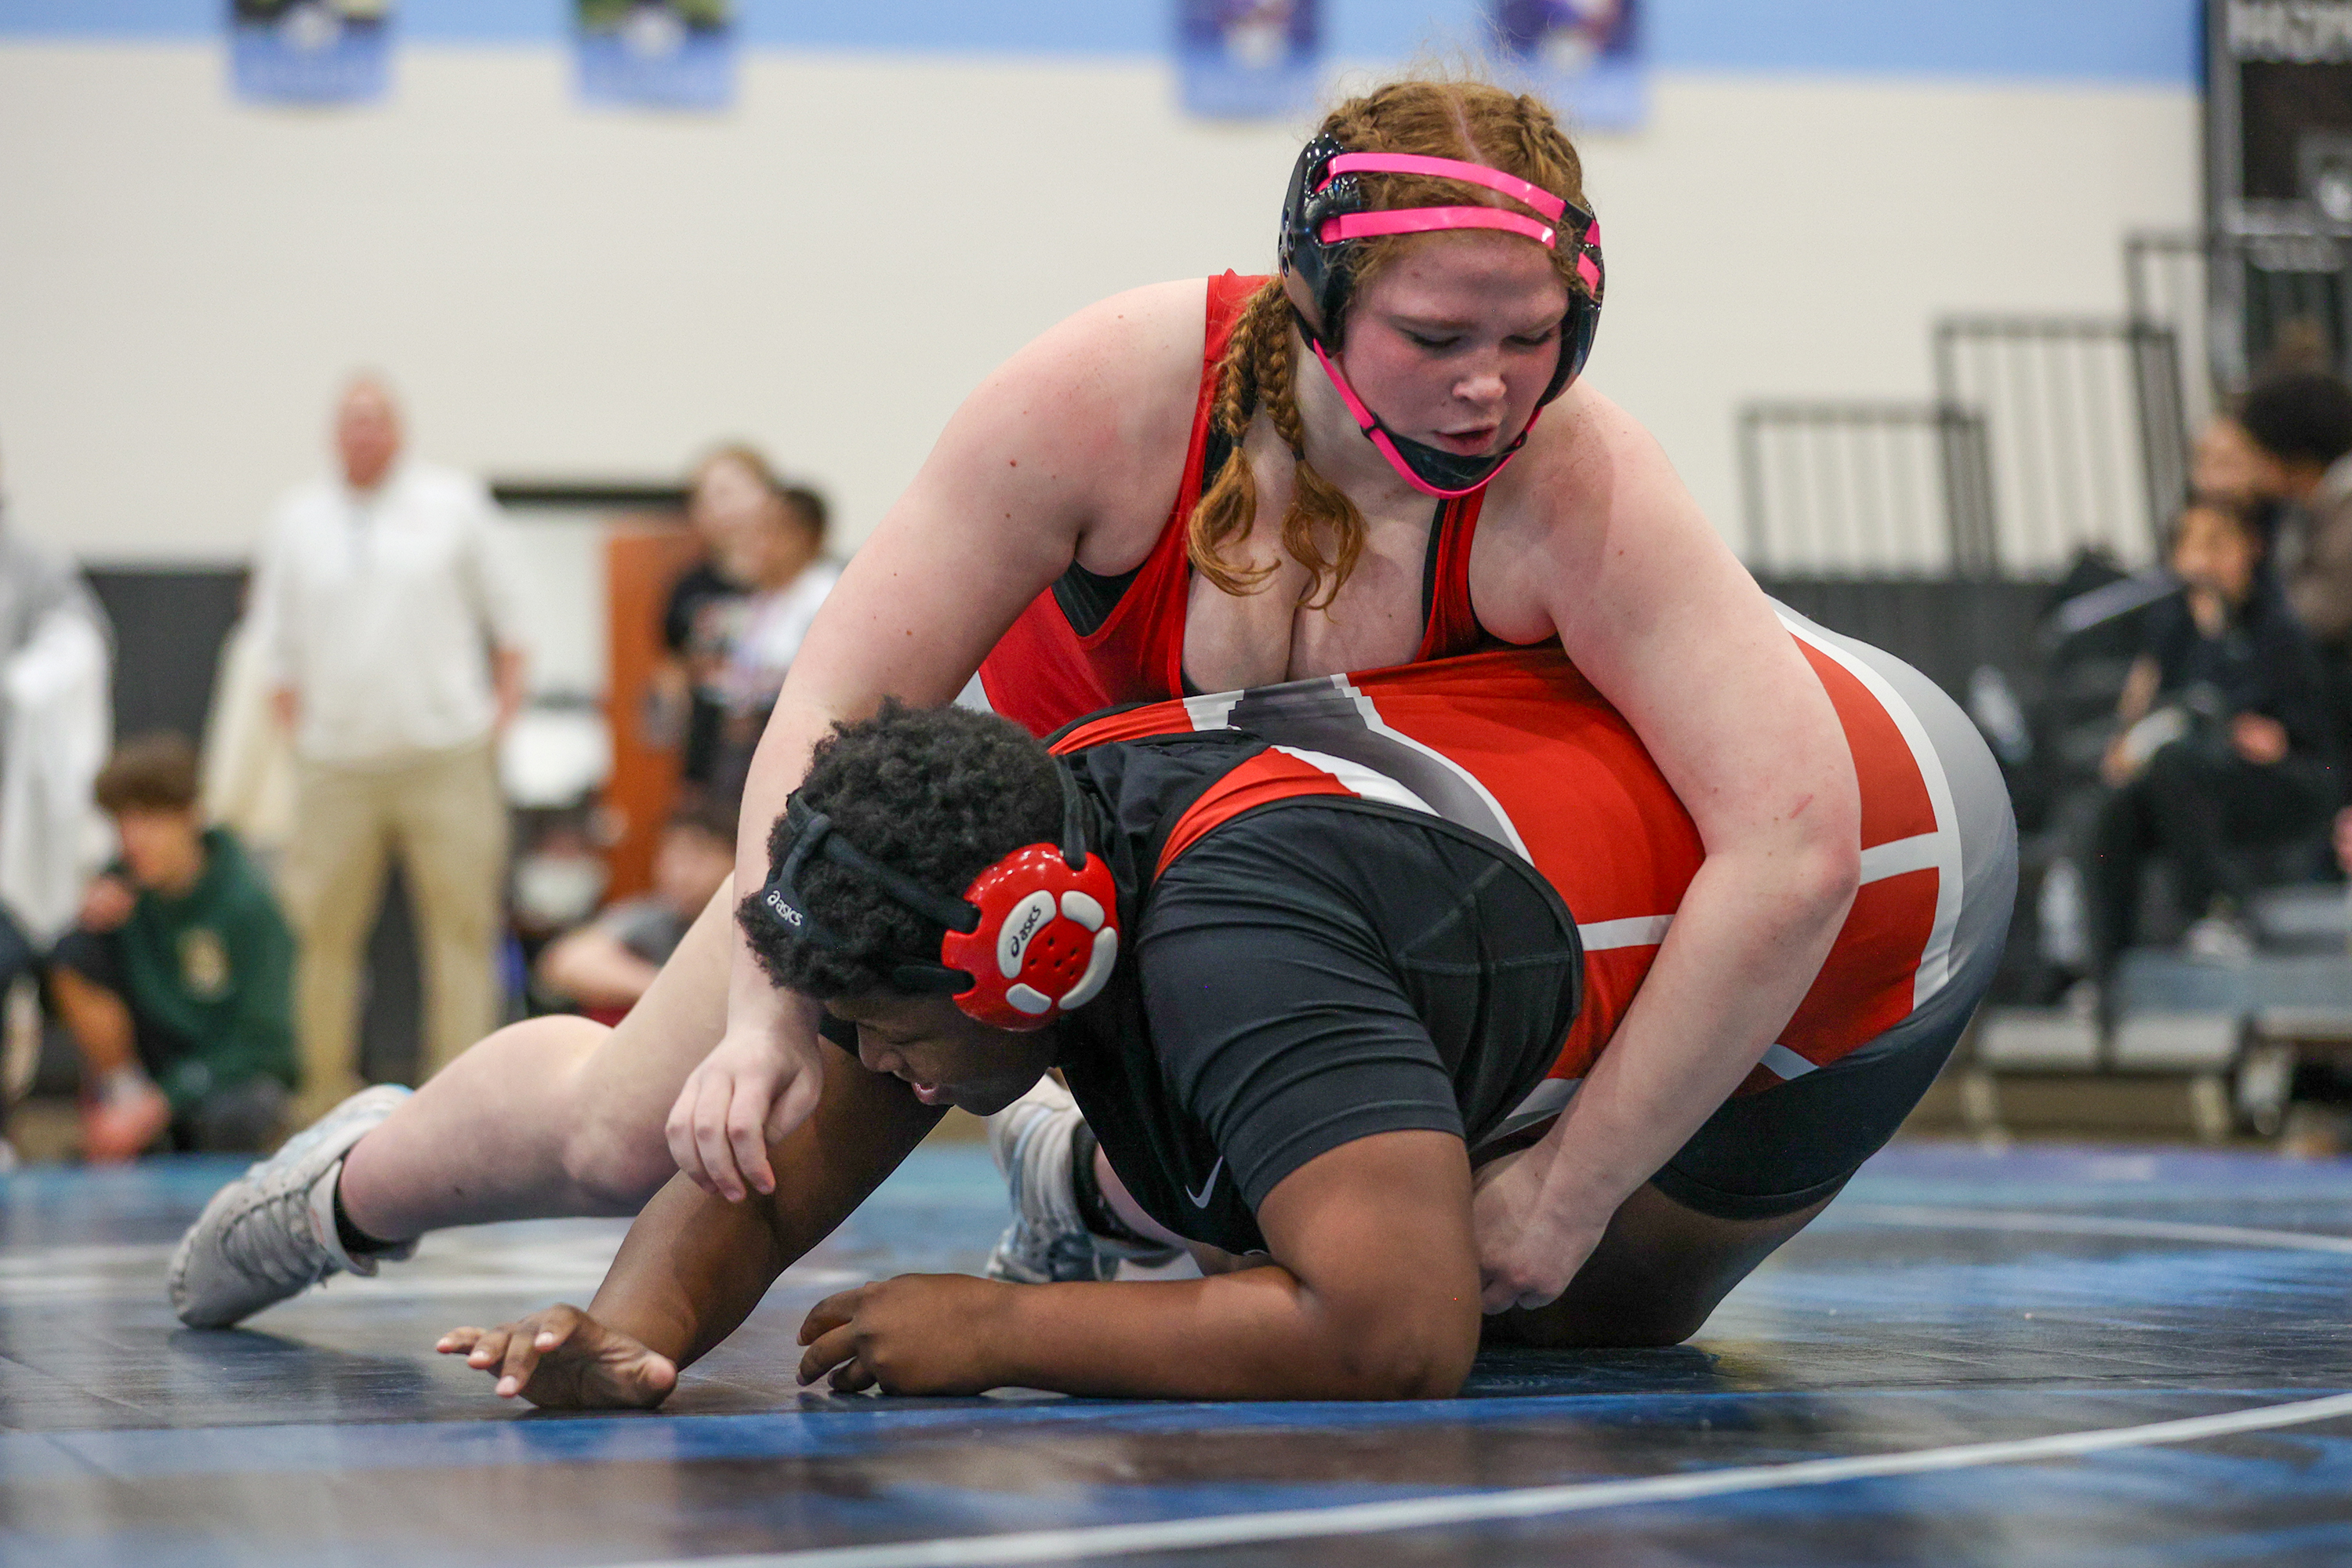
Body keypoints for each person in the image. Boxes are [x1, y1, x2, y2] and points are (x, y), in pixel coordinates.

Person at [170, 78, 1864, 1330]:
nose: (1493, 385)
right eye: (1437, 335)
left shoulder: (1578, 477)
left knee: (1314, 1151)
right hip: (1017, 852)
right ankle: (353, 1184)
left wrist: (1566, 1203)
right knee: (643, 1132)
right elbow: (838, 694)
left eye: (1539, 333)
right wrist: (769, 1014)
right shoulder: (1119, 393)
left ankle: (1083, 1184)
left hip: (1271, 899)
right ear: (1315, 297)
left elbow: (1792, 835)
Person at [433, 634, 2010, 1404]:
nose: (876, 1069)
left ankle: (1116, 1196)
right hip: (1608, 784)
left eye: (888, 1029)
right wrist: (631, 1331)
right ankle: (1135, 1185)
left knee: (1571, 1306)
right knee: (1297, 1202)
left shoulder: (1241, 950)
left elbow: (1401, 1337)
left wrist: (1003, 1330)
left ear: (1031, 961)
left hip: (1872, 854)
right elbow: (784, 1163)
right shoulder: (1012, 847)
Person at [249, 375, 528, 1116]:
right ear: (334, 433)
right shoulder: (296, 520)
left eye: (377, 421)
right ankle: (320, 1097)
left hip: (447, 757)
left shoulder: (454, 505)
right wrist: (303, 738)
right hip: (334, 766)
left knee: (463, 929)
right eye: (351, 421)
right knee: (319, 936)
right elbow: (272, 647)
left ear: (399, 431)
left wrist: (496, 724)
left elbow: (512, 623)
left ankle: (459, 1100)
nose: (364, 434)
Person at [2086, 499, 2336, 972]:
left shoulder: (2279, 627)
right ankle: (2104, 965)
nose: (2204, 561)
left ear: (2250, 550)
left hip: (2271, 783)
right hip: (2187, 782)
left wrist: (2276, 735)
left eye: (2217, 544)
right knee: (2111, 810)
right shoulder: (2168, 632)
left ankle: (2217, 913)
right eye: (2191, 546)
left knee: (2175, 764)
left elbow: (2315, 736)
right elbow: (2134, 721)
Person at [57, 735, 297, 1160]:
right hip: (148, 1078)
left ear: (191, 816)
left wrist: (163, 1101)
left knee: (242, 1112)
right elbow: (67, 979)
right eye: (121, 823)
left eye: (149, 821)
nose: (133, 839)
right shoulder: (121, 889)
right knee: (75, 954)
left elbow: (267, 1045)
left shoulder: (249, 904)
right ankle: (124, 1105)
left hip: (223, 1079)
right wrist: (84, 924)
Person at [535, 801, 736, 1023]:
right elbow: (565, 963)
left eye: (698, 858)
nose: (680, 873)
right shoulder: (658, 915)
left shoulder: (748, 925)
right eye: (671, 856)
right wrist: (670, 990)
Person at [704, 483, 839, 811]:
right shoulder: (766, 597)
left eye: (769, 531)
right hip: (744, 741)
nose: (754, 544)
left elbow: (817, 676)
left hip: (796, 745)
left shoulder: (825, 596)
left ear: (807, 536)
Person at [653, 447, 769, 798]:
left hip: (775, 750)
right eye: (705, 499)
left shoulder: (801, 583)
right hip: (709, 763)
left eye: (728, 493)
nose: (719, 508)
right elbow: (672, 673)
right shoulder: (689, 588)